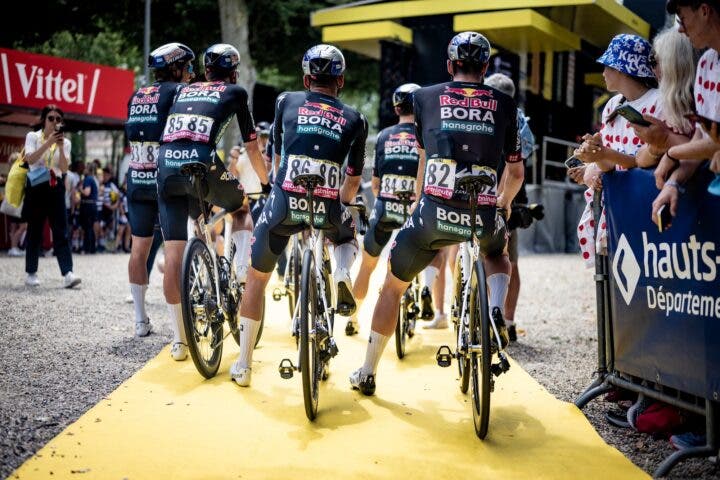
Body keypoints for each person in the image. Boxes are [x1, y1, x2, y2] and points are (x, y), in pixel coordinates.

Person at [350, 31, 524, 395]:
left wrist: (418, 198)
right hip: (483, 210)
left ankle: (367, 371)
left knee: (392, 287)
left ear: (449, 65)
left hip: (433, 211)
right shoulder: (506, 104)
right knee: (497, 253)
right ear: (485, 67)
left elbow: (424, 157)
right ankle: (495, 310)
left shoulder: (424, 98)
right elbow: (517, 173)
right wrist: (503, 202)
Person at [233, 44, 368, 387]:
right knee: (347, 235)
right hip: (328, 203)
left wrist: (277, 188)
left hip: (285, 200)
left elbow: (277, 156)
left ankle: (244, 364)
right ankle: (341, 271)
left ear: (307, 79)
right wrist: (341, 202)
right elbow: (353, 180)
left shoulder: (286, 101)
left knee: (257, 279)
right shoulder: (356, 118)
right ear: (341, 81)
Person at [157, 43, 270, 361]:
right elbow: (252, 148)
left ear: (206, 71)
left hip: (165, 167)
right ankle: (240, 269)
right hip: (202, 163)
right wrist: (265, 183)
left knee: (174, 252)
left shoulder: (183, 90)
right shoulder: (235, 92)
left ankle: (179, 341)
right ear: (234, 73)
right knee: (241, 206)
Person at [125, 42, 195, 339]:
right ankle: (179, 332)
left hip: (136, 178)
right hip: (165, 180)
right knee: (174, 251)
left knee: (138, 249)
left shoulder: (136, 95)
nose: (191, 72)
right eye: (188, 66)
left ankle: (140, 321)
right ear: (176, 67)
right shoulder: (178, 92)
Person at [574, 34, 658, 267]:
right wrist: (595, 160)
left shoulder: (659, 101)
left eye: (608, 66)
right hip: (614, 205)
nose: (603, 72)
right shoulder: (612, 105)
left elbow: (645, 158)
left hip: (644, 203)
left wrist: (600, 156)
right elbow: (609, 162)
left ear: (624, 69)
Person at [346, 82, 422, 336]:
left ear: (396, 108)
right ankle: (427, 292)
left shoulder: (383, 136)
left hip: (386, 206)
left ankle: (353, 318)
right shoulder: (427, 135)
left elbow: (376, 184)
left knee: (367, 265)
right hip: (415, 208)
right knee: (433, 253)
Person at [651, 0, 720, 227]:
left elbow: (712, 143)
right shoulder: (706, 64)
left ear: (704, 11)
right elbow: (703, 138)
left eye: (683, 18)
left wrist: (672, 153)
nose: (680, 29)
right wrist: (673, 183)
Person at [483, 72, 538, 341]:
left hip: (497, 197)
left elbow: (511, 166)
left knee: (490, 260)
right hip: (513, 198)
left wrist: (499, 197)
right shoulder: (520, 119)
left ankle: (488, 319)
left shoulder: (495, 114)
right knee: (510, 262)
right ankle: (508, 321)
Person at [21, 105, 80, 288]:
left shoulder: (66, 142)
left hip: (56, 186)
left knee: (61, 230)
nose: (55, 122)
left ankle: (68, 273)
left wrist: (60, 148)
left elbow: (64, 168)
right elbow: (30, 159)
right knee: (35, 230)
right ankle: (31, 272)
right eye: (51, 118)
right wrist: (48, 143)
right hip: (36, 185)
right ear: (43, 120)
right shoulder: (33, 137)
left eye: (58, 119)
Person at [79, 162, 99, 254]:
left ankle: (87, 248)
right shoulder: (94, 179)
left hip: (87, 205)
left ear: (89, 169)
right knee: (90, 226)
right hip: (93, 205)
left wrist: (80, 189)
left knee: (87, 227)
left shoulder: (88, 179)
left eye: (85, 168)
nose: (84, 170)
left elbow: (87, 192)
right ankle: (92, 248)